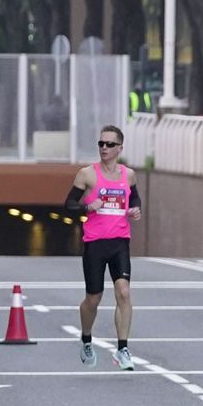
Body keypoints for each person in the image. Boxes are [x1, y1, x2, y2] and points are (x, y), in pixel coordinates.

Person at [65, 125, 143, 370]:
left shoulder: (128, 175)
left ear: (120, 148)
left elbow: (134, 197)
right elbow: (68, 204)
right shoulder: (87, 174)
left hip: (120, 242)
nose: (104, 148)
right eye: (101, 143)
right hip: (95, 243)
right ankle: (86, 339)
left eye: (110, 144)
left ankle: (122, 349)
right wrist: (88, 207)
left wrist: (135, 209)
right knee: (93, 298)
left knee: (124, 292)